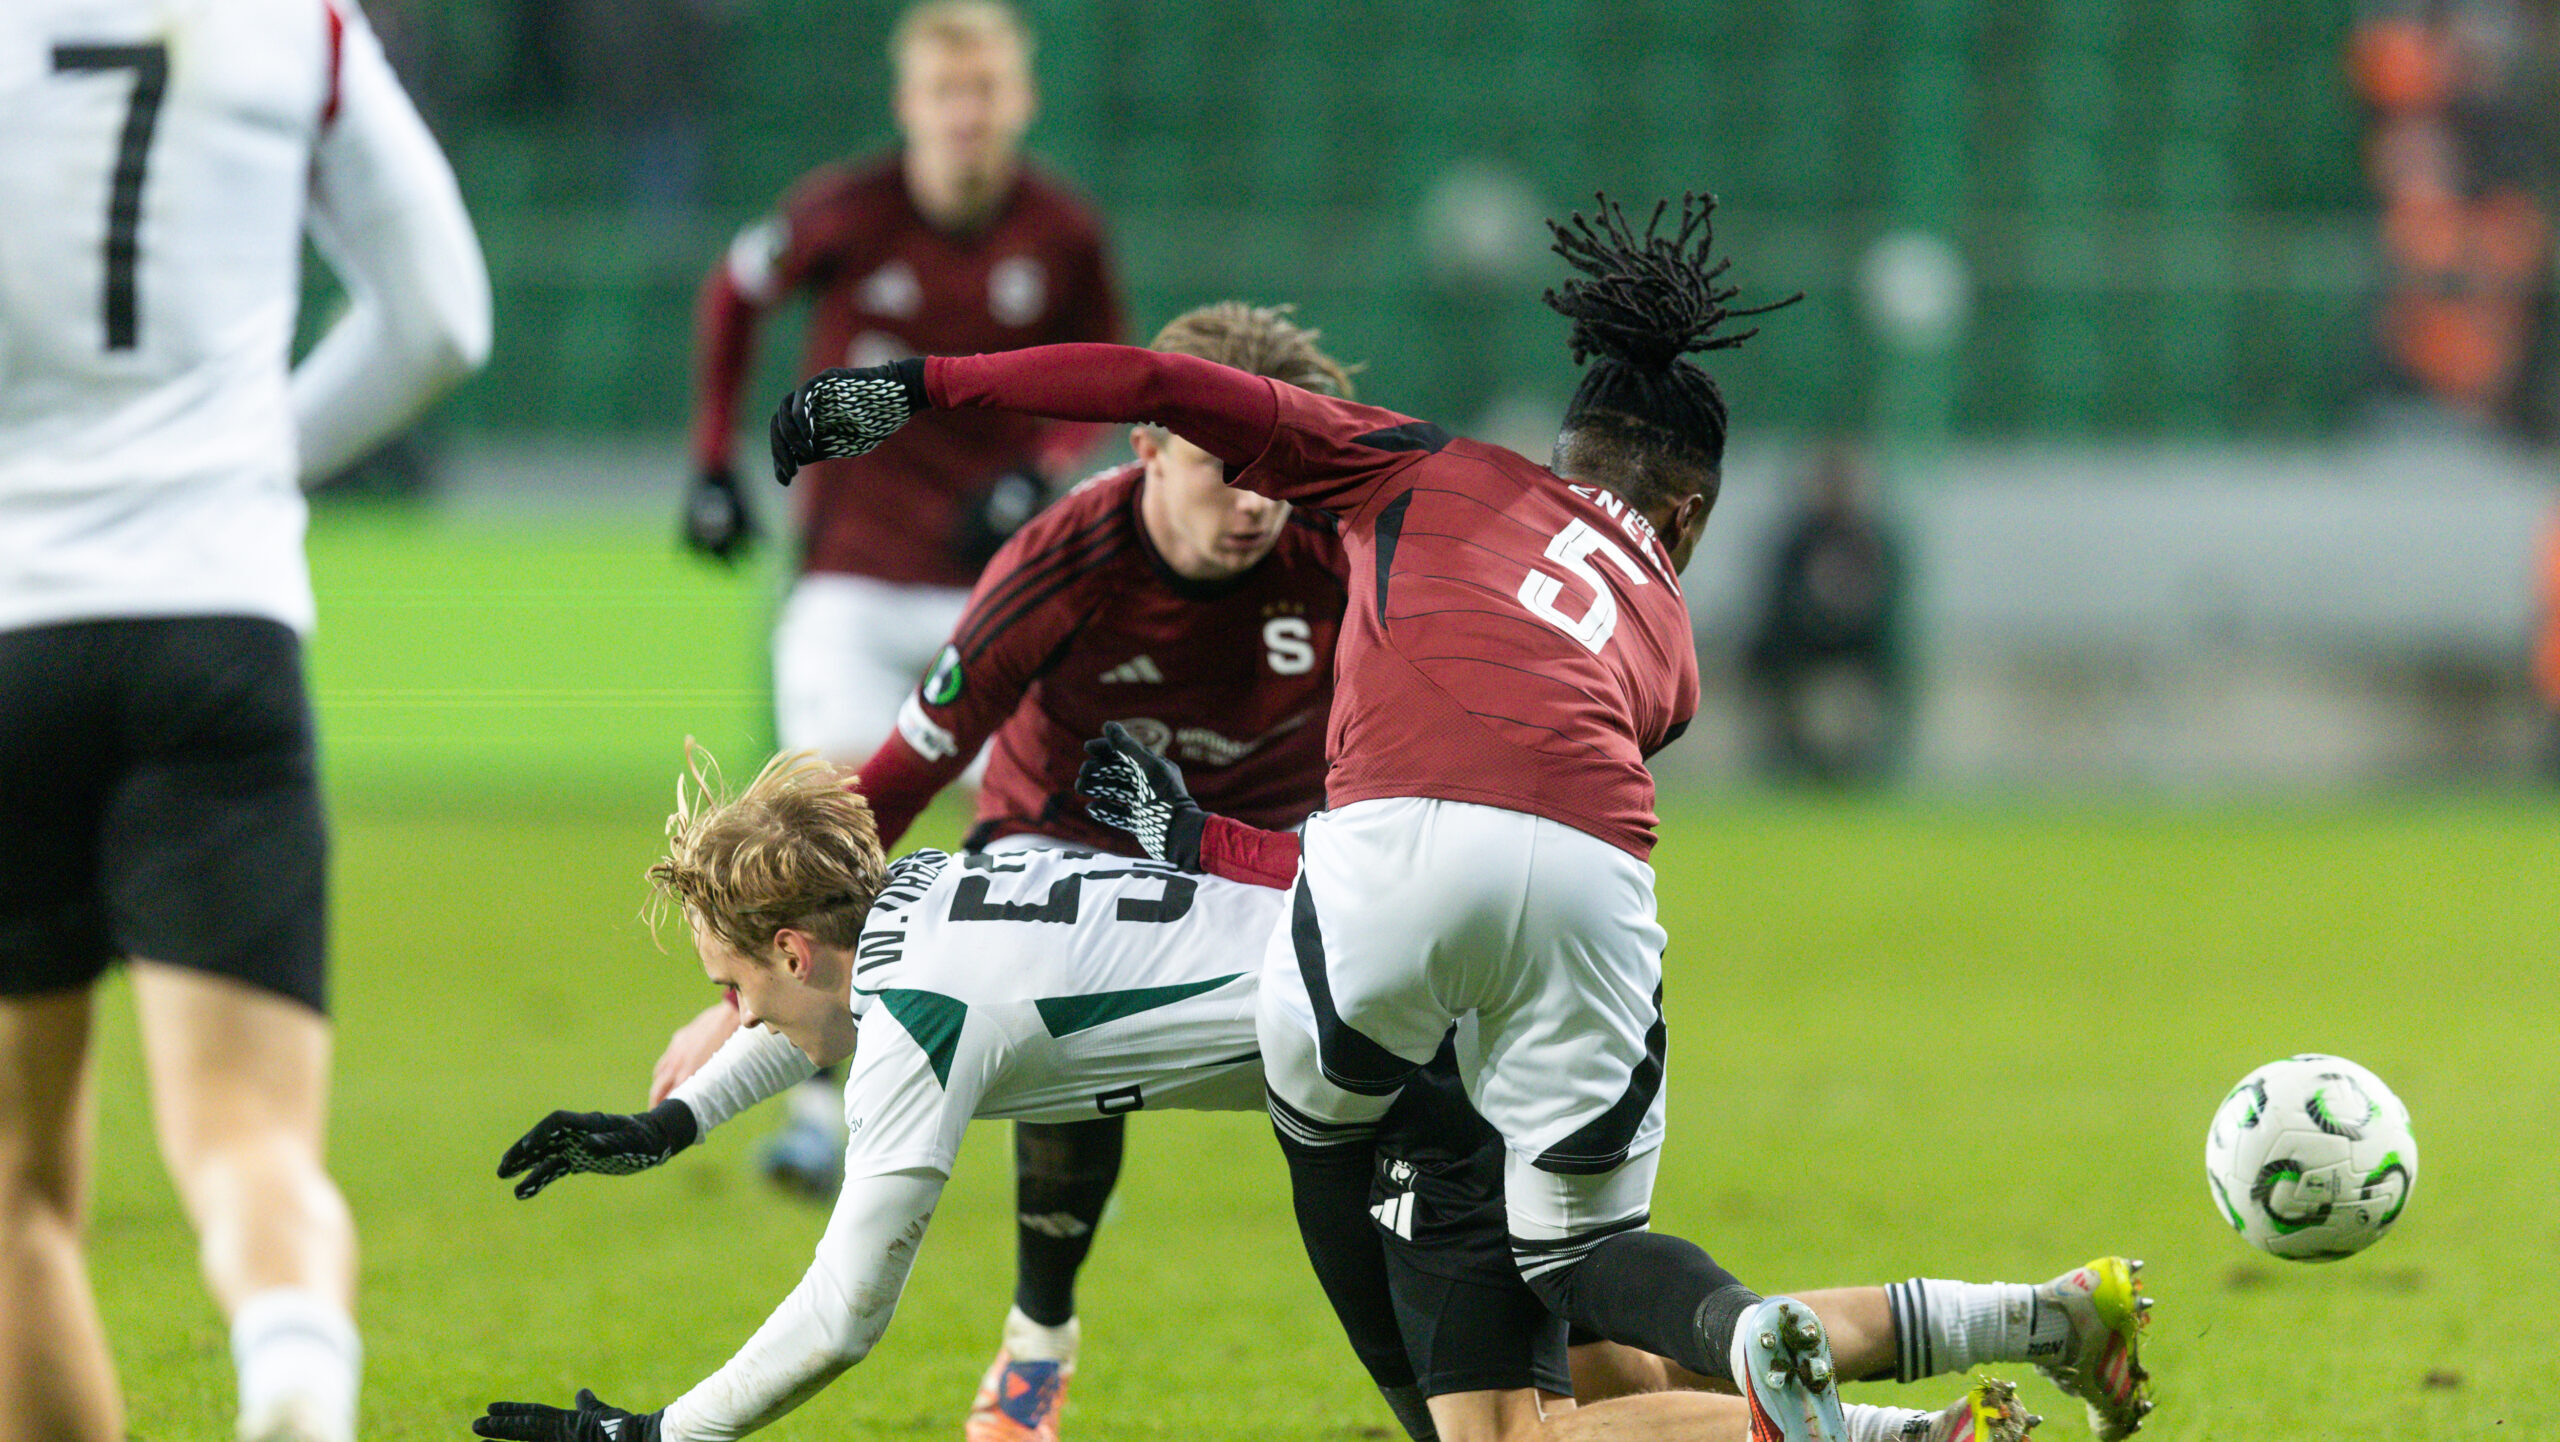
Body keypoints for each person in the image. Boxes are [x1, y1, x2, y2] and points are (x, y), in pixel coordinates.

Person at [766, 193, 2156, 1442]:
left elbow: (1149, 373)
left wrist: (922, 385)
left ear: (1560, 446)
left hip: (1379, 887)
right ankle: (1843, 1336)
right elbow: (1556, 764)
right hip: (1597, 884)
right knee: (1589, 1271)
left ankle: (1816, 1410)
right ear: (1689, 512)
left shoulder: (1416, 469)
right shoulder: (1668, 628)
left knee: (1398, 1254)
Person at [470, 751, 2145, 1442]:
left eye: (727, 985)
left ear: (788, 937)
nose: (727, 1016)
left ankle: (1916, 1436)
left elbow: (846, 1310)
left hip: (1399, 1070)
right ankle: (2024, 1329)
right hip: (1454, 999)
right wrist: (684, 1113)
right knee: (1618, 1349)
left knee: (1497, 1435)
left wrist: (654, 1432)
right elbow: (832, 1006)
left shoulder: (906, 1021)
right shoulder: (953, 882)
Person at [648, 302, 1353, 1442]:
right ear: (1147, 449)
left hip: (1252, 827)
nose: (1256, 502)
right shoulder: (1062, 563)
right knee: (1056, 1039)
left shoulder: (1335, 550)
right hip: (1061, 822)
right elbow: (898, 771)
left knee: (1351, 1062)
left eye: (1274, 473)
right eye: (1224, 472)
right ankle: (1039, 1335)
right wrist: (740, 982)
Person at [0, 2, 491, 1439]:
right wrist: (248, 466)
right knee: (251, 1144)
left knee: (20, 1185)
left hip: (10, 626)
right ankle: (290, 1365)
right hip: (219, 617)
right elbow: (442, 317)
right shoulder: (297, 23)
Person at [681, 0, 1123, 771]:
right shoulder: (844, 213)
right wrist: (713, 459)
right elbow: (733, 294)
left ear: (1023, 100)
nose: (966, 112)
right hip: (853, 576)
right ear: (907, 104)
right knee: (829, 826)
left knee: (1033, 831)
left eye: (985, 89)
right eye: (946, 90)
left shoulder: (1064, 233)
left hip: (999, 582)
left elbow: (1106, 365)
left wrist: (1041, 470)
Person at [1741, 441, 1904, 784]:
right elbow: (1777, 603)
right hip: (1799, 642)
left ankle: (1859, 764)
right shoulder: (1796, 539)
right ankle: (1789, 757)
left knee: (1887, 669)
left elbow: (1885, 606)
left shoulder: (1873, 539)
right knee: (1768, 663)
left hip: (1859, 645)